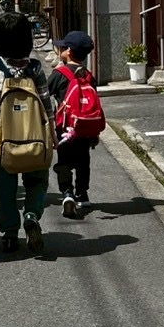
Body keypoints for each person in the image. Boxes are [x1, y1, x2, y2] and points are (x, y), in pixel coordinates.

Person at [0, 12, 54, 256]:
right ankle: (31, 214)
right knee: (37, 181)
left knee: (4, 188)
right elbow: (45, 102)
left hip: (3, 140)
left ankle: (10, 233)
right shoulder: (35, 67)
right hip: (36, 139)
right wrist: (51, 132)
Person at [49, 30, 103, 217]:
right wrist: (95, 132)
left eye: (63, 47)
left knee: (63, 161)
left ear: (69, 52)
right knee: (83, 160)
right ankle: (82, 194)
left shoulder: (59, 74)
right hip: (85, 128)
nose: (60, 49)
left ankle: (67, 192)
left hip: (64, 127)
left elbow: (45, 95)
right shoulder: (88, 76)